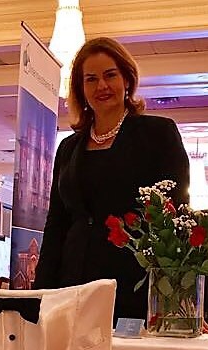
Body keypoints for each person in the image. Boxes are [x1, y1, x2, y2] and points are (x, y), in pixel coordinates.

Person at [33, 37, 190, 322]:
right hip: (72, 284)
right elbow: (56, 225)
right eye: (91, 79)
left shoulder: (158, 134)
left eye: (110, 75)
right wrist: (39, 296)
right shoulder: (68, 148)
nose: (101, 86)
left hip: (133, 283)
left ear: (127, 79)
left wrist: (179, 297)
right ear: (81, 89)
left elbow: (175, 219)